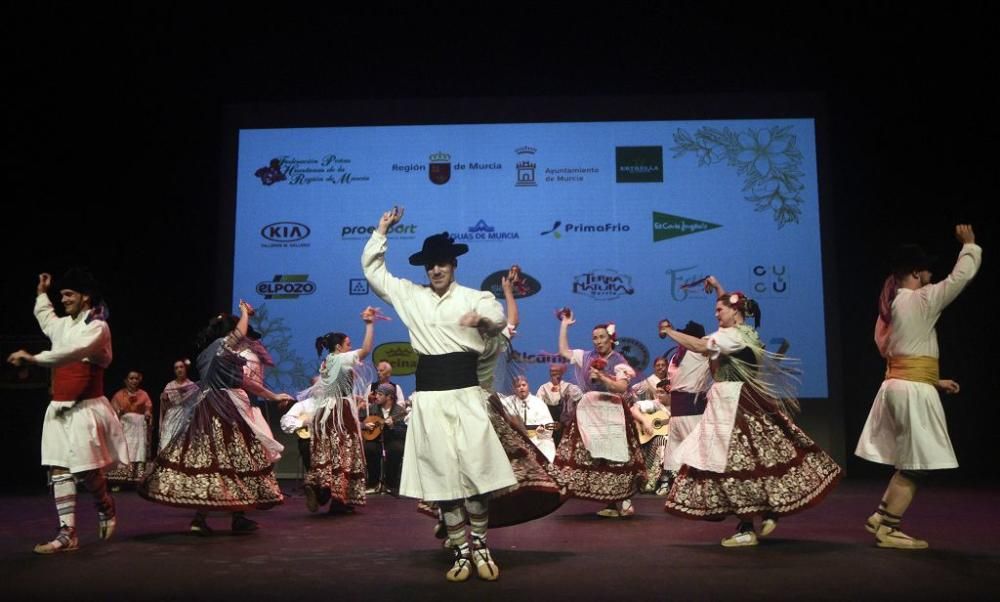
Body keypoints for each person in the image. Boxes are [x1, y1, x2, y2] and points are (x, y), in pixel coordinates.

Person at [363, 206, 515, 582]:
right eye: (430, 264)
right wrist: (381, 231)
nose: (435, 269)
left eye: (441, 262)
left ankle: (480, 544)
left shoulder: (475, 297)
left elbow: (498, 321)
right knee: (443, 481)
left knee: (478, 475)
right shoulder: (411, 296)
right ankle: (461, 551)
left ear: (453, 264)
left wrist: (481, 321)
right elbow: (374, 273)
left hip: (466, 392)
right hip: (430, 397)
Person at [661, 276, 842, 547]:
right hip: (740, 399)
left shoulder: (732, 336)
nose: (715, 314)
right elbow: (728, 313)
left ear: (735, 311)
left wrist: (670, 331)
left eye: (719, 310)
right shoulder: (746, 331)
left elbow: (701, 345)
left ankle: (747, 526)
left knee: (736, 463)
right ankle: (767, 509)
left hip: (733, 403)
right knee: (755, 459)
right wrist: (720, 287)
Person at [855, 225, 981, 549]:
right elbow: (959, 279)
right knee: (917, 464)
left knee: (911, 461)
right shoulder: (919, 300)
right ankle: (888, 527)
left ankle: (882, 517)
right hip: (909, 389)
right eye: (926, 269)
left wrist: (933, 379)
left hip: (901, 384)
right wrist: (969, 246)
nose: (930, 275)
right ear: (915, 272)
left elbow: (902, 351)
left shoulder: (893, 306)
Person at [139, 301, 293, 534]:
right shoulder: (223, 346)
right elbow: (239, 337)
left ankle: (207, 517)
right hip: (226, 409)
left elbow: (246, 381)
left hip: (208, 408)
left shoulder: (206, 352)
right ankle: (234, 517)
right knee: (235, 458)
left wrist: (272, 395)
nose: (241, 336)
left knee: (214, 461)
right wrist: (244, 313)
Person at [8, 270, 127, 554]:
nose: (63, 300)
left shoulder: (98, 328)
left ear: (85, 296)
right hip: (60, 408)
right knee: (58, 468)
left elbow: (74, 352)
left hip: (85, 408)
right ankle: (67, 533)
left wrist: (35, 359)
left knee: (86, 469)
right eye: (61, 296)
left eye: (68, 295)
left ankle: (104, 504)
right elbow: (46, 318)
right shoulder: (63, 325)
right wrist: (42, 293)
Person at [554, 312, 644, 518]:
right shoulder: (586, 356)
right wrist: (565, 325)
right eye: (595, 338)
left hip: (611, 411)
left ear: (611, 338)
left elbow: (621, 387)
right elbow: (563, 350)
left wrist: (603, 376)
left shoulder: (620, 361)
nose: (598, 341)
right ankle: (610, 501)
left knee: (617, 455)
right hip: (589, 410)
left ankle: (624, 499)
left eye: (602, 337)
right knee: (592, 456)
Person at [303, 308, 378, 514]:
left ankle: (320, 488)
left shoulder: (327, 362)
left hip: (325, 411)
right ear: (338, 346)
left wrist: (355, 398)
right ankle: (335, 499)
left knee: (328, 452)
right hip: (339, 412)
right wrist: (370, 324)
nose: (350, 347)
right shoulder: (339, 358)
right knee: (344, 451)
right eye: (348, 344)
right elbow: (366, 349)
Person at [656, 320, 712, 496]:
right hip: (677, 411)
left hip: (692, 409)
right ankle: (680, 490)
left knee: (696, 454)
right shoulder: (674, 357)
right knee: (675, 456)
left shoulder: (703, 352)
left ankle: (706, 492)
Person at [106, 371, 153, 488]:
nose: (134, 381)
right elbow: (112, 412)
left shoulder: (143, 394)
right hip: (125, 428)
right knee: (124, 451)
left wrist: (147, 413)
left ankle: (138, 481)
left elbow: (148, 408)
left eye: (136, 378)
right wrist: (119, 412)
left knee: (139, 451)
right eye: (131, 378)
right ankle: (120, 481)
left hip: (138, 429)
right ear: (126, 380)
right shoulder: (119, 395)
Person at [362, 383, 408, 494]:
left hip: (392, 439)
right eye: (376, 393)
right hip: (375, 440)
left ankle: (391, 484)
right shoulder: (371, 408)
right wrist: (364, 425)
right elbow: (359, 421)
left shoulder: (399, 411)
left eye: (380, 394)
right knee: (370, 448)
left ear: (389, 397)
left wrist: (393, 426)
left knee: (396, 449)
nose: (376, 396)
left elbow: (403, 432)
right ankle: (373, 483)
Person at [501, 375, 556, 462]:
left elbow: (548, 426)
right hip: (516, 441)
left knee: (546, 451)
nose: (521, 388)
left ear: (528, 385)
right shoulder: (508, 402)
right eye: (518, 386)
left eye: (523, 385)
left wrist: (533, 435)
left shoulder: (538, 403)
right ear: (514, 389)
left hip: (538, 440)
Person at [631, 378, 670, 493]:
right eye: (657, 391)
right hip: (650, 442)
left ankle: (664, 481)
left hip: (673, 443)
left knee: (665, 440)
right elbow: (634, 409)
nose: (657, 395)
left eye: (661, 392)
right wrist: (645, 421)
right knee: (662, 440)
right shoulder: (655, 404)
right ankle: (652, 481)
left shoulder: (679, 409)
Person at [535, 363, 581, 444]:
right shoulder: (544, 388)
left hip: (565, 424)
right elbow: (537, 405)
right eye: (552, 370)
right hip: (549, 422)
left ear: (561, 372)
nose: (553, 373)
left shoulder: (569, 387)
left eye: (556, 371)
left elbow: (578, 397)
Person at [279, 379, 319, 472]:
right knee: (307, 445)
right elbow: (286, 422)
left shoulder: (337, 403)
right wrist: (303, 422)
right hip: (310, 441)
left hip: (333, 440)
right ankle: (315, 479)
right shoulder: (303, 405)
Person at [160, 359, 195, 451]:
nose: (179, 370)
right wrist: (164, 399)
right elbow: (164, 406)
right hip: (171, 417)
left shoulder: (192, 386)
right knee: (167, 441)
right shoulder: (170, 386)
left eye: (181, 367)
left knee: (184, 444)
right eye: (176, 368)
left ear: (185, 369)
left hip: (186, 417)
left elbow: (198, 405)